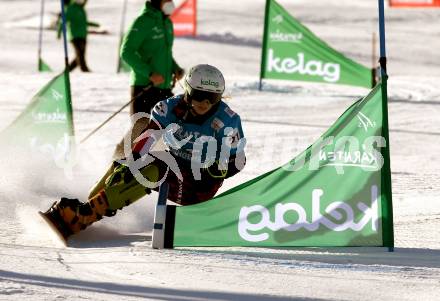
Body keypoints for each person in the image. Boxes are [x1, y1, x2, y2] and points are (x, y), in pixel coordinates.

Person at [41, 64, 246, 240]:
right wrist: (132, 160)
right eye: (199, 96)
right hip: (175, 168)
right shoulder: (169, 108)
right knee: (125, 165)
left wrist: (217, 169)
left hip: (200, 183)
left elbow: (239, 160)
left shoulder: (227, 120)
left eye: (212, 98)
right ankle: (90, 206)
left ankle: (83, 217)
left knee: (153, 167)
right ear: (188, 92)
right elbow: (148, 137)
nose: (205, 103)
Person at [114, 0, 184, 159]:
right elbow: (126, 52)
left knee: (162, 130)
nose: (171, 3)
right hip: (144, 85)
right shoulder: (144, 21)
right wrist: (149, 73)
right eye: (167, 0)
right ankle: (116, 161)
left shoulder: (166, 22)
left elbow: (164, 53)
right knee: (141, 127)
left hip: (164, 87)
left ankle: (149, 168)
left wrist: (175, 68)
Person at [59, 0, 98, 72]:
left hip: (83, 35)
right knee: (80, 54)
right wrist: (59, 32)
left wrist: (93, 24)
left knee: (80, 55)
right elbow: (63, 21)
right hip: (75, 35)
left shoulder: (81, 9)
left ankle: (67, 70)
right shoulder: (70, 8)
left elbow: (82, 21)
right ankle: (84, 69)